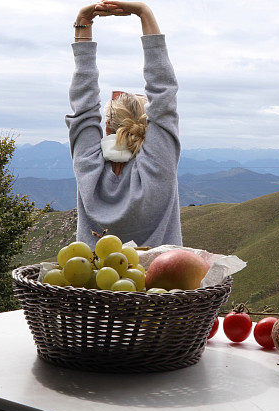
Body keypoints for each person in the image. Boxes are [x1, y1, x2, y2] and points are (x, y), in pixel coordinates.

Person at [65, 1, 183, 249]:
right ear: (148, 126)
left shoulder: (89, 166)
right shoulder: (158, 166)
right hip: (160, 286)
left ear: (106, 125)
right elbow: (163, 92)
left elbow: (83, 103)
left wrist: (83, 22)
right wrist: (144, 13)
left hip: (92, 286)